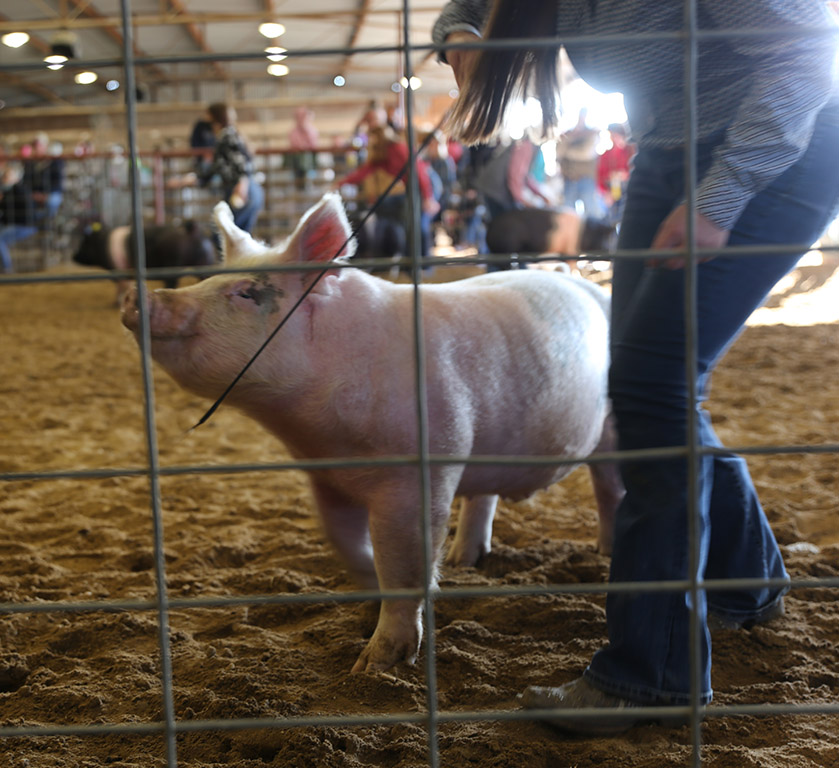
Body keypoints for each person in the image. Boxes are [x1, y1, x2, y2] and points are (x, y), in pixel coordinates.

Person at [433, 0, 839, 734]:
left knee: (652, 390)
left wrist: (719, 197)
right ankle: (747, 585)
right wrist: (457, 38)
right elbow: (467, 6)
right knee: (648, 387)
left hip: (779, 146)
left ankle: (653, 671)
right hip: (663, 149)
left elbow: (808, 55)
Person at [173, 103, 263, 239]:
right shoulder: (229, 135)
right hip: (247, 189)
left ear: (213, 117)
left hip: (240, 190)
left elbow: (241, 162)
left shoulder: (227, 136)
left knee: (223, 235)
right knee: (237, 237)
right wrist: (190, 179)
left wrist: (241, 184)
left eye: (207, 115)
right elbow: (217, 168)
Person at [0, 133, 65, 272]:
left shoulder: (53, 162)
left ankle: (48, 222)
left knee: (53, 200)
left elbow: (57, 184)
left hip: (32, 215)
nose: (37, 148)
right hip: (31, 204)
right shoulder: (29, 166)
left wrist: (42, 196)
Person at [557, 107, 601, 216]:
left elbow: (585, 153)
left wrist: (568, 146)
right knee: (567, 214)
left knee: (591, 214)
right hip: (569, 180)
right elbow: (559, 152)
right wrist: (571, 137)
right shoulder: (568, 133)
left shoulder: (592, 133)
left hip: (586, 179)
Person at [596, 123, 634, 224]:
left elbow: (636, 170)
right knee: (611, 220)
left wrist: (624, 175)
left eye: (616, 135)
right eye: (612, 135)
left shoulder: (630, 150)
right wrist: (605, 192)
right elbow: (600, 177)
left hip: (629, 190)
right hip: (611, 191)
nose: (614, 138)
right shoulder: (606, 155)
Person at [288, 106, 320, 190]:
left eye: (303, 116)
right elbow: (294, 144)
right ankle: (301, 182)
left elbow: (313, 144)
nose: (301, 119)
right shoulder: (293, 131)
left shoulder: (312, 130)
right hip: (297, 161)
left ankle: (307, 180)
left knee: (306, 157)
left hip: (309, 160)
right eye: (299, 116)